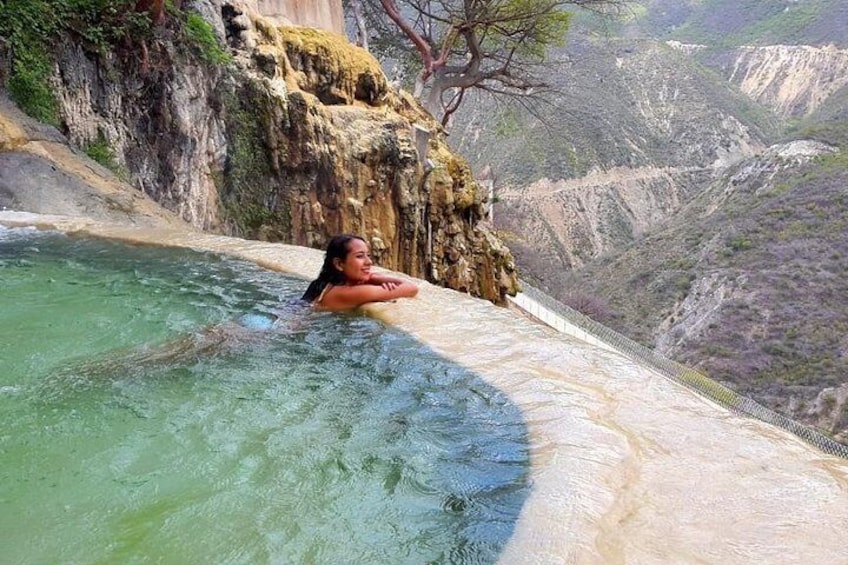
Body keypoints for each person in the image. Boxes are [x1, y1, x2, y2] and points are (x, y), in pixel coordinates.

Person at [301, 234, 418, 311]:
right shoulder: (346, 293)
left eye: (368, 255)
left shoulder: (326, 285)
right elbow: (411, 288)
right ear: (339, 264)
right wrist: (374, 277)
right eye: (360, 256)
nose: (369, 262)